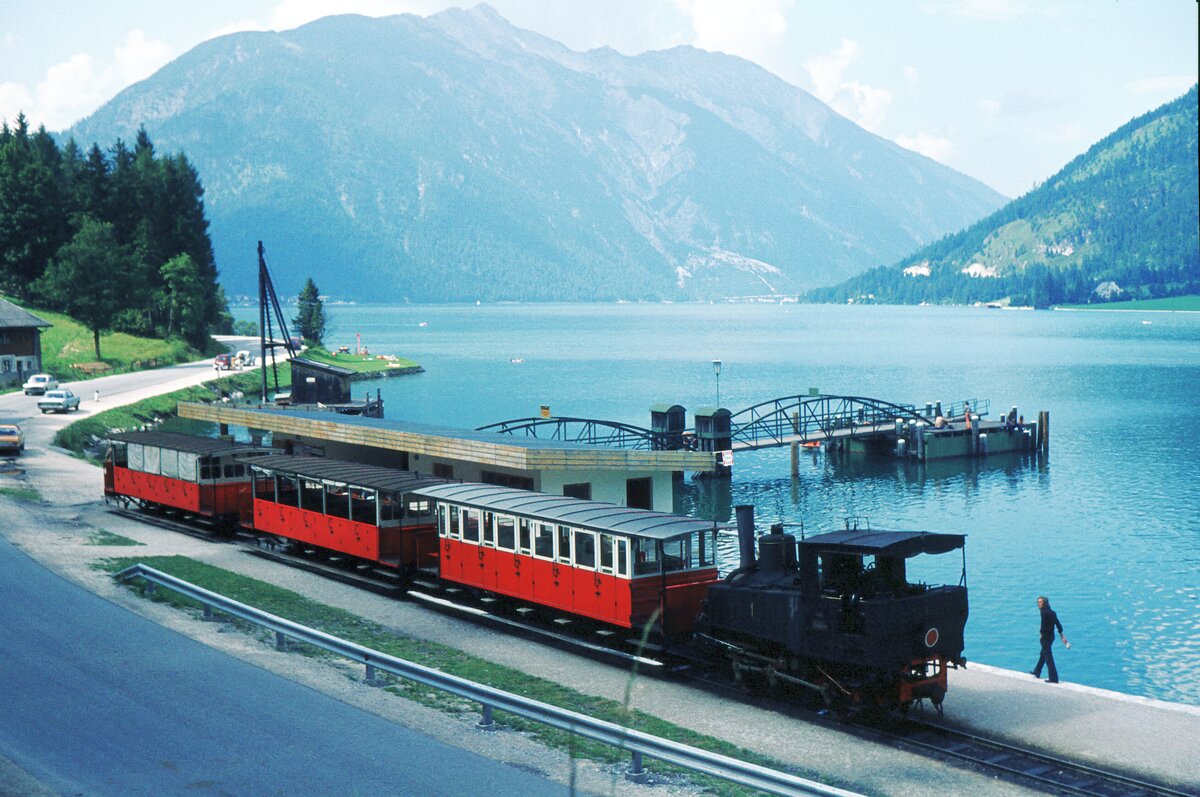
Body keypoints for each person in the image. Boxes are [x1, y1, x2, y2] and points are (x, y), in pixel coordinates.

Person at [1031, 596, 1068, 683]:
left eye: (1040, 602)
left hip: (1045, 638)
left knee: (1048, 658)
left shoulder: (1043, 612)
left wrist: (1041, 634)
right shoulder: (1052, 613)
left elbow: (1043, 625)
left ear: (1044, 603)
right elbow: (1058, 624)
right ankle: (1037, 671)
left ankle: (1054, 678)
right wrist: (1062, 636)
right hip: (1051, 637)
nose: (1038, 604)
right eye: (1037, 602)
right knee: (1043, 654)